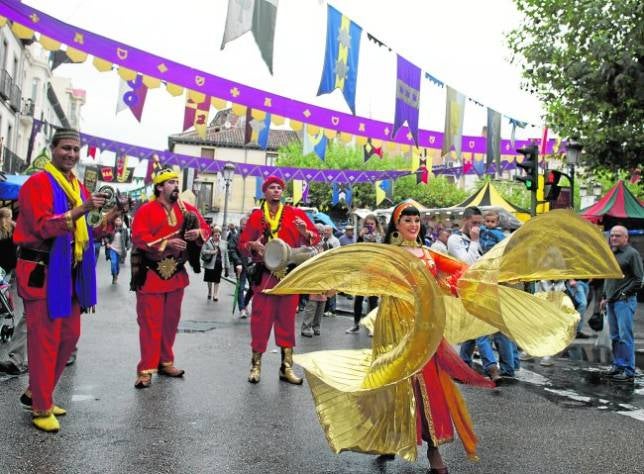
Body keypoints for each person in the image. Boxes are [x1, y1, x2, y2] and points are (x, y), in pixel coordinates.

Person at [266, 204, 620, 472]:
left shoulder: (431, 255)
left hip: (424, 327)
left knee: (429, 382)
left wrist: (494, 278)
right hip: (394, 326)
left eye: (416, 219)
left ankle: (433, 447)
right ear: (396, 225)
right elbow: (360, 277)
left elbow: (462, 277)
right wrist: (329, 286)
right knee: (389, 382)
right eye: (407, 219)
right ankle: (389, 439)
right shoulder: (387, 256)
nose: (413, 223)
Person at [13, 128, 116, 432]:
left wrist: (108, 219)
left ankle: (37, 393)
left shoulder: (75, 185)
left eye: (75, 150)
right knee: (45, 339)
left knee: (68, 336)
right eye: (66, 149)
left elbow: (87, 230)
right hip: (42, 270)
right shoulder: (37, 183)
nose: (71, 154)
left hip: (69, 272)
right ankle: (41, 406)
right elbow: (44, 226)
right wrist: (83, 209)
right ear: (53, 149)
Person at [130, 168, 210, 389]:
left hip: (176, 274)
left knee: (170, 323)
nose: (176, 186)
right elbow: (138, 237)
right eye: (171, 182)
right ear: (159, 187)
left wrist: (198, 234)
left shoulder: (187, 209)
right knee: (150, 324)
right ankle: (146, 369)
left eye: (177, 182)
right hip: (152, 274)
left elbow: (206, 228)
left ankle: (166, 361)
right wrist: (167, 243)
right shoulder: (146, 210)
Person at [238, 175, 319, 385]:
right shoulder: (256, 217)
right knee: (260, 322)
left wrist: (305, 232)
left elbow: (315, 237)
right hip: (264, 276)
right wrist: (252, 245)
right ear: (265, 192)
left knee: (287, 322)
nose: (276, 191)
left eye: (279, 188)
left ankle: (286, 367)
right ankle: (255, 366)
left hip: (288, 277)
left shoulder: (294, 213)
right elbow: (242, 243)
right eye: (272, 188)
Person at [447, 207, 502, 381]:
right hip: (462, 290)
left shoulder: (483, 239)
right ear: (466, 220)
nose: (478, 226)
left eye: (480, 223)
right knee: (480, 329)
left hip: (481, 288)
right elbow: (468, 263)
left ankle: (462, 364)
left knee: (473, 329)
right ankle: (492, 367)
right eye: (475, 223)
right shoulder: (455, 239)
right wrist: (475, 240)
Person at [599, 225, 643, 383]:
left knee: (625, 336)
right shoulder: (611, 253)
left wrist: (624, 294)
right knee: (615, 336)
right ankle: (618, 365)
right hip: (611, 301)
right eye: (612, 235)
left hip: (624, 302)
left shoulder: (632, 254)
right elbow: (608, 278)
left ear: (626, 238)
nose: (614, 238)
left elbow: (639, 280)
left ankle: (629, 370)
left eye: (618, 235)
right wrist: (604, 297)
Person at [346, 214, 382, 334]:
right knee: (358, 300)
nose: (370, 226)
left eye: (372, 224)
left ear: (376, 225)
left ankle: (372, 327)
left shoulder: (380, 237)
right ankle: (356, 325)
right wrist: (361, 236)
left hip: (375, 271)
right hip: (363, 271)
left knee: (373, 300)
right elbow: (357, 250)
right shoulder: (361, 236)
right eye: (367, 224)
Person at [228, 215, 253, 318]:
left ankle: (245, 304)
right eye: (244, 224)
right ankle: (242, 309)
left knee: (253, 287)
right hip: (241, 265)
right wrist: (238, 262)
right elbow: (232, 251)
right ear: (240, 225)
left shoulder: (252, 236)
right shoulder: (235, 237)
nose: (245, 226)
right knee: (241, 287)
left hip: (251, 266)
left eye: (247, 225)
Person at [201, 225, 229, 301]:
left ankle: (215, 295)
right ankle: (210, 291)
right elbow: (203, 251)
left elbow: (226, 255)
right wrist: (212, 252)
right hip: (210, 264)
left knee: (217, 280)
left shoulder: (224, 243)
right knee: (209, 280)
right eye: (215, 235)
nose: (217, 236)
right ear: (212, 235)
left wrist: (227, 266)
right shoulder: (207, 242)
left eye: (218, 235)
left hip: (219, 265)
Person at [104, 215, 131, 284]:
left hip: (120, 250)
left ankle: (116, 274)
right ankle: (114, 276)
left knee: (117, 266)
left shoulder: (124, 230)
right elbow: (106, 237)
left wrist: (127, 246)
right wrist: (107, 243)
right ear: (114, 221)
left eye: (119, 220)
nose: (117, 222)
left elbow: (127, 239)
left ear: (121, 221)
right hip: (112, 249)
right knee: (113, 263)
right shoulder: (111, 229)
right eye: (116, 220)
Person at [322, 225, 340, 317]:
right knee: (325, 288)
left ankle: (332, 309)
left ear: (331, 231)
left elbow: (337, 254)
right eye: (325, 230)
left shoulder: (335, 241)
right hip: (324, 267)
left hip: (332, 267)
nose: (325, 232)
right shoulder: (322, 240)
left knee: (332, 288)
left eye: (327, 230)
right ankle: (324, 308)